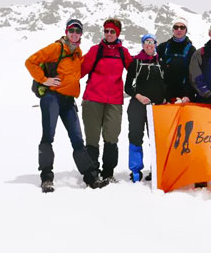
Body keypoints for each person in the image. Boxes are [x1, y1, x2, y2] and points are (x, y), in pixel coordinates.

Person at [25, 19, 108, 192]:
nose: (74, 33)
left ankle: (91, 177)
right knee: (48, 137)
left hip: (69, 101)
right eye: (72, 30)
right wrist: (45, 80)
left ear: (81, 35)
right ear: (66, 31)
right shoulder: (56, 48)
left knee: (77, 139)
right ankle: (46, 178)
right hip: (51, 98)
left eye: (78, 31)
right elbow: (30, 61)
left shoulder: (77, 53)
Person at [80, 18, 133, 182]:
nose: (109, 34)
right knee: (92, 138)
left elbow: (135, 70)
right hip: (93, 99)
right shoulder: (96, 50)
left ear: (118, 33)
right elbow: (79, 71)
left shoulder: (123, 52)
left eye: (112, 31)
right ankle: (92, 172)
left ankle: (108, 172)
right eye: (106, 31)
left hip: (114, 101)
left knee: (111, 137)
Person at [124, 33, 166, 182]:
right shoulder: (136, 62)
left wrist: (164, 99)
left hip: (156, 107)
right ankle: (135, 170)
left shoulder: (160, 62)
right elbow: (128, 87)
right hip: (137, 106)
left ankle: (155, 169)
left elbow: (165, 84)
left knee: (155, 139)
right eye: (146, 42)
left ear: (155, 44)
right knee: (135, 136)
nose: (149, 44)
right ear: (142, 45)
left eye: (151, 42)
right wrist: (139, 97)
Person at [156, 18, 197, 103]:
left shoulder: (191, 50)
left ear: (186, 30)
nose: (179, 29)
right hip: (164, 94)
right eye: (176, 27)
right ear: (173, 29)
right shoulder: (163, 47)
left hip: (183, 96)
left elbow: (194, 74)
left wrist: (189, 95)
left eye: (182, 27)